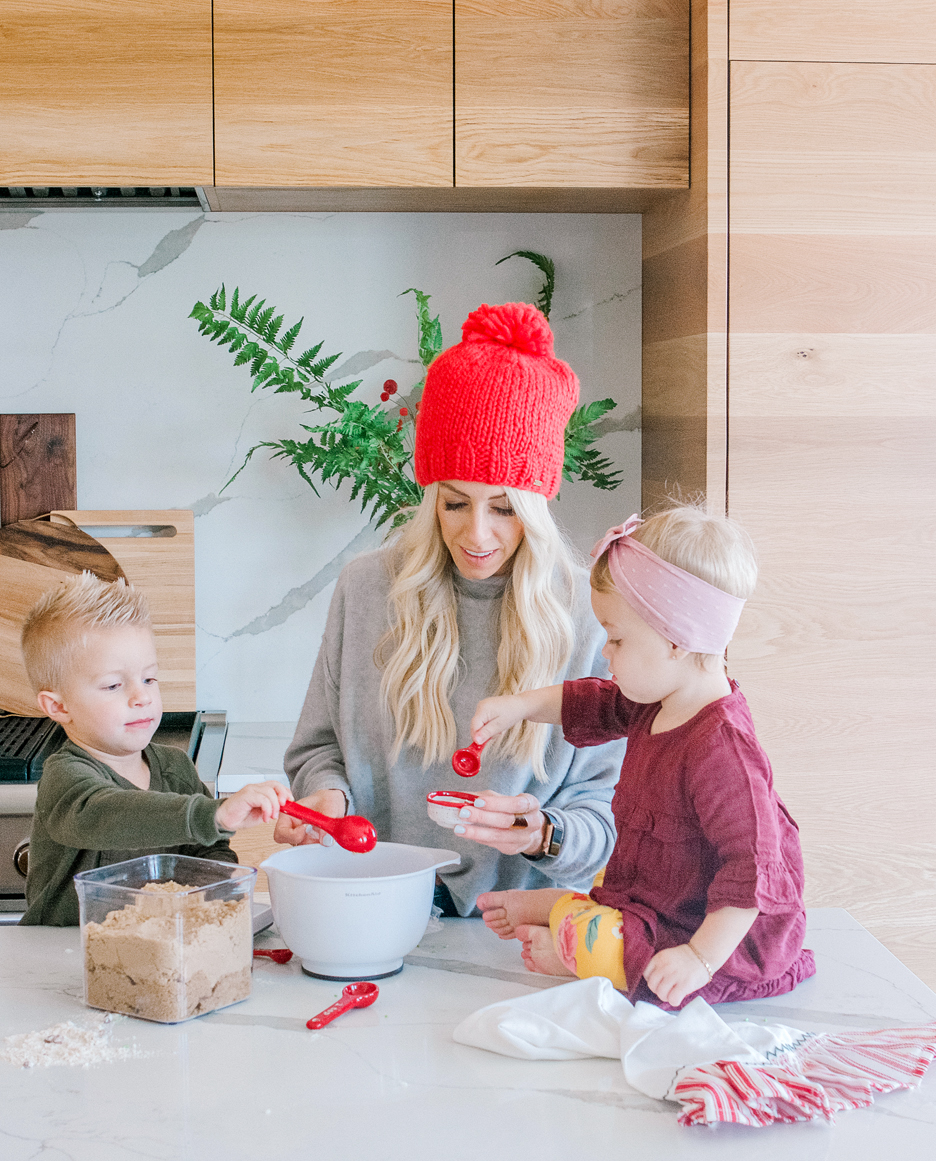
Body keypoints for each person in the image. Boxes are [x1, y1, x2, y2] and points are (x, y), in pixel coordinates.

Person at [277, 301, 625, 916]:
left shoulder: (588, 614)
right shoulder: (366, 591)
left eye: (505, 508)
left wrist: (543, 834)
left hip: (520, 928)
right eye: (455, 503)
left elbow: (605, 814)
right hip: (373, 905)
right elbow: (318, 750)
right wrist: (327, 799)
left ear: (536, 507)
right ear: (431, 496)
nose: (477, 534)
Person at [473, 504, 815, 1007]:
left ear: (676, 640)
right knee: (609, 900)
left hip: (720, 936)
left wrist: (698, 959)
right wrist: (519, 706)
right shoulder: (654, 701)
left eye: (616, 638)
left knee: (626, 957)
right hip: (660, 902)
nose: (605, 652)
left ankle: (569, 942)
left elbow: (752, 872)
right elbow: (589, 702)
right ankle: (569, 916)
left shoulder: (723, 752)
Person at [20, 573, 288, 926]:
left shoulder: (175, 767)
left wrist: (218, 895)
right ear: (58, 706)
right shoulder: (66, 777)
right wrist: (212, 815)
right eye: (113, 685)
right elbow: (107, 814)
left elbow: (208, 852)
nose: (142, 696)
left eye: (149, 679)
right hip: (61, 949)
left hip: (155, 943)